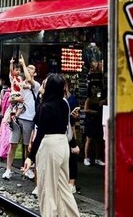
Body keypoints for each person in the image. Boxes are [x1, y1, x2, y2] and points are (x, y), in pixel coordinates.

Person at [22, 74, 80, 217]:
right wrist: (73, 144)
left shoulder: (45, 107)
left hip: (49, 145)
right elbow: (67, 127)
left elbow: (40, 133)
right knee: (63, 188)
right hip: (63, 145)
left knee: (47, 188)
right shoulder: (65, 104)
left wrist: (30, 157)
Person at [2, 54, 39, 180]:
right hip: (18, 118)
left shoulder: (36, 85)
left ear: (35, 73)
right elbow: (14, 94)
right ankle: (8, 169)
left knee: (26, 146)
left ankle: (27, 168)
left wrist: (23, 63)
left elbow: (29, 81)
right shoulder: (20, 83)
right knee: (13, 144)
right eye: (27, 68)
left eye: (31, 69)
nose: (28, 70)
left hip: (29, 118)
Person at [83, 82, 106, 166]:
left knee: (98, 140)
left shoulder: (99, 99)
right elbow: (85, 109)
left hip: (97, 120)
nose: (95, 90)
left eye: (96, 88)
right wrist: (94, 112)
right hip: (90, 120)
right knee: (89, 139)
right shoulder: (89, 99)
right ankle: (86, 158)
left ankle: (97, 158)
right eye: (93, 88)